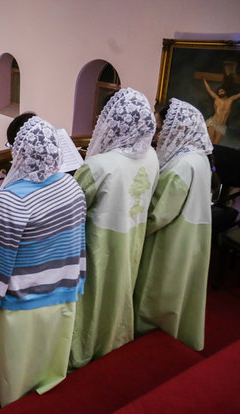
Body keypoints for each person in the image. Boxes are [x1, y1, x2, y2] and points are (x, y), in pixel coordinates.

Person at [0, 116, 86, 407]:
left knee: (14, 360)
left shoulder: (9, 201)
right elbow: (76, 240)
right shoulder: (72, 186)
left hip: (20, 301)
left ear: (18, 153)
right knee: (45, 353)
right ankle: (45, 383)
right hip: (61, 290)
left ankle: (7, 394)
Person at [69, 88, 159, 369]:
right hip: (133, 232)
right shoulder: (152, 156)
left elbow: (73, 207)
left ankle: (85, 346)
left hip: (99, 240)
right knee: (120, 288)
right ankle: (115, 338)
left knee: (93, 297)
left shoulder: (98, 165)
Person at [134, 98, 212, 351]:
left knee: (157, 288)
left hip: (172, 237)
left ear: (177, 128)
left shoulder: (181, 165)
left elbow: (159, 214)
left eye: (159, 129)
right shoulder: (197, 156)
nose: (157, 136)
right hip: (192, 233)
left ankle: (150, 338)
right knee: (181, 289)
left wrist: (134, 227)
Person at [202, 79, 240, 145]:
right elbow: (209, 90)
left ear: (225, 91)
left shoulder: (230, 99)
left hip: (222, 125)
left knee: (216, 144)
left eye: (222, 91)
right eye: (219, 92)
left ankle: (213, 155)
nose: (220, 93)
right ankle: (208, 155)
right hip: (213, 123)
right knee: (210, 142)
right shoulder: (216, 98)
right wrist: (204, 80)